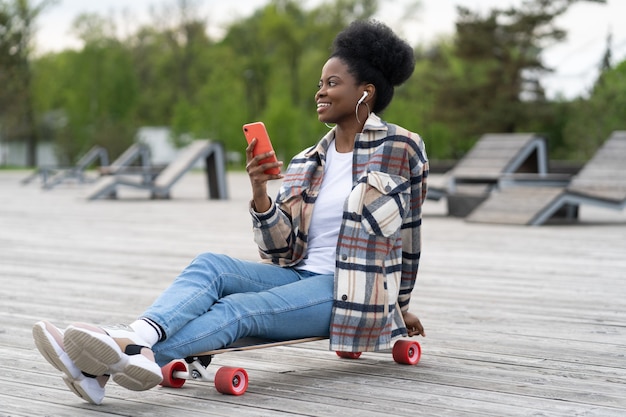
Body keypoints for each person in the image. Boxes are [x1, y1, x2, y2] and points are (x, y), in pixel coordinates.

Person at [32, 19, 428, 405]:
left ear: (366, 92)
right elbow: (280, 253)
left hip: (350, 290)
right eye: (320, 84)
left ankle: (108, 357)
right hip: (299, 275)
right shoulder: (307, 161)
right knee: (211, 266)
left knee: (239, 310)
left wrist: (401, 307)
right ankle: (126, 347)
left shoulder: (402, 149)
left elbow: (409, 236)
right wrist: (259, 192)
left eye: (332, 83)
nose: (319, 92)